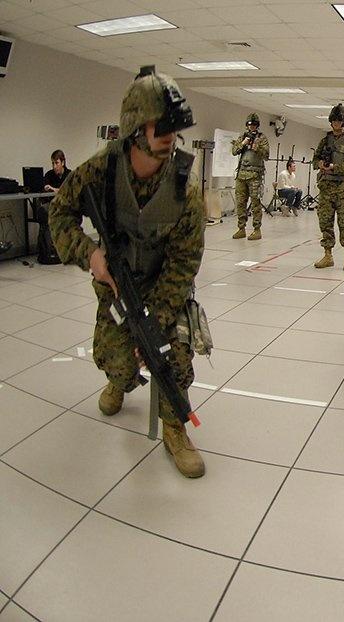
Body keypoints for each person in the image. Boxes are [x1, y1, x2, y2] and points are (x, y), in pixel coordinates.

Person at [48, 65, 206, 478]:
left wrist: (158, 316)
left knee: (173, 360)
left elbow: (186, 260)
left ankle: (174, 427)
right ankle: (119, 381)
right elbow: (60, 214)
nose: (170, 135)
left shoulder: (184, 187)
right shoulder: (100, 171)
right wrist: (90, 256)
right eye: (161, 126)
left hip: (164, 286)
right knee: (116, 359)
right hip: (115, 285)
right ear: (136, 128)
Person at [312, 103, 344, 270]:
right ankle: (328, 255)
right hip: (326, 186)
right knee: (325, 221)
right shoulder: (325, 140)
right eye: (334, 120)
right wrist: (320, 164)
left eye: (340, 120)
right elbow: (315, 159)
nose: (336, 123)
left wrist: (332, 166)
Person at [230, 113, 270, 241]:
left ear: (257, 126)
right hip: (242, 174)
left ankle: (257, 229)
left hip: (254, 175)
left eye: (253, 125)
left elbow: (266, 155)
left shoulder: (262, 138)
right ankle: (241, 228)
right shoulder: (242, 136)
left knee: (255, 203)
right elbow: (234, 151)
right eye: (249, 125)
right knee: (241, 202)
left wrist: (256, 148)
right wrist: (243, 143)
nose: (251, 127)